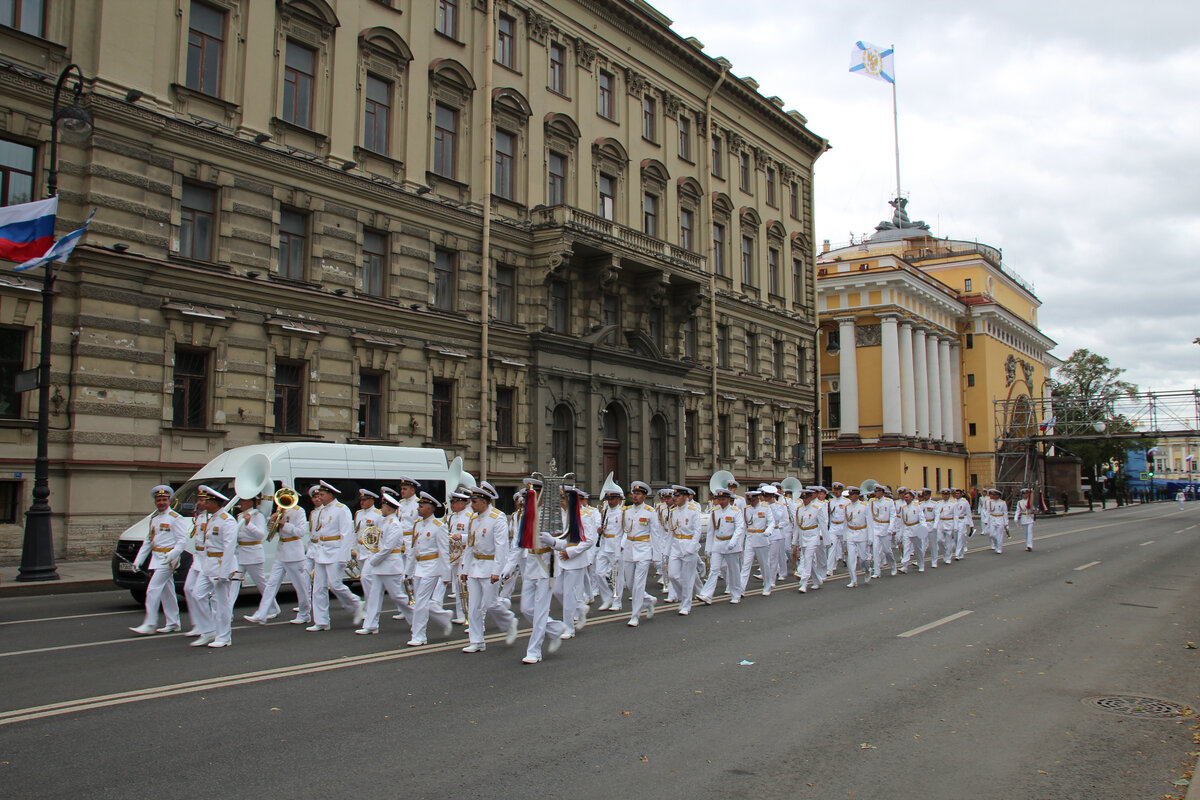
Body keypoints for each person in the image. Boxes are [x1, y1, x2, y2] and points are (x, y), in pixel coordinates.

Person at [502, 483, 567, 664]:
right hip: (531, 564)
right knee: (526, 609)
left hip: (547, 566)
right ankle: (554, 629)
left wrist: (552, 541)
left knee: (540, 610)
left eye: (533, 493)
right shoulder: (525, 516)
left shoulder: (553, 515)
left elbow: (564, 543)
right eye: (528, 494)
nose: (529, 498)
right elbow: (517, 544)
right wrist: (508, 567)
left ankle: (534, 650)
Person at [459, 483, 518, 653]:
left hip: (490, 565)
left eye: (475, 501)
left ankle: (509, 621)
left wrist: (497, 571)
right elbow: (470, 546)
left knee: (491, 603)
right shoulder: (473, 519)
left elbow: (502, 547)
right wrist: (464, 570)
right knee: (474, 606)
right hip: (475, 566)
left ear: (484, 502)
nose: (472, 505)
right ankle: (477, 641)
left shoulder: (497, 518)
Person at [245, 487, 312, 626]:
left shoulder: (299, 511)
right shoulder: (281, 510)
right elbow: (271, 531)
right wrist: (272, 520)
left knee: (300, 586)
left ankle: (304, 613)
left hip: (294, 552)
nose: (284, 502)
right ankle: (262, 614)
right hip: (281, 553)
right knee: (271, 584)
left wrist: (284, 524)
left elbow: (300, 532)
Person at [129, 485, 188, 635]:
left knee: (153, 589)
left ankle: (149, 623)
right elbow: (149, 541)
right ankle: (173, 622)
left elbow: (182, 541)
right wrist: (138, 560)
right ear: (155, 502)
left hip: (169, 559)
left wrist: (173, 554)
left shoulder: (176, 518)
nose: (162, 502)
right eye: (159, 500)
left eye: (164, 500)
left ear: (170, 501)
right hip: (157, 558)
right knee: (167, 592)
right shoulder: (154, 519)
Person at [307, 481, 364, 631]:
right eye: (318, 495)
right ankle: (321, 621)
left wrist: (343, 557)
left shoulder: (341, 509)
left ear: (330, 495)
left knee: (335, 585)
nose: (320, 497)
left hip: (335, 552)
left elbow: (346, 534)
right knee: (318, 588)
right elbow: (319, 533)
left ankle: (356, 602)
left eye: (322, 494)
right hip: (321, 552)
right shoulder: (321, 511)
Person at [356, 492, 409, 635]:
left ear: (389, 508)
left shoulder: (395, 525)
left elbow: (388, 548)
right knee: (373, 594)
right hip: (380, 564)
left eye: (383, 506)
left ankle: (417, 618)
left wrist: (373, 560)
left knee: (398, 596)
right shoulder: (383, 521)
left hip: (390, 564)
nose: (381, 509)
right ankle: (371, 625)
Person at [406, 492, 454, 646]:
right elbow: (413, 550)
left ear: (430, 508)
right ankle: (444, 617)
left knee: (420, 601)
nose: (418, 509)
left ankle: (419, 635)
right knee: (421, 602)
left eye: (421, 506)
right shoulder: (417, 525)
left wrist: (446, 574)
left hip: (432, 568)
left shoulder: (439, 527)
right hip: (419, 568)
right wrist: (409, 570)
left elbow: (444, 551)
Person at [198, 486, 239, 648]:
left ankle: (224, 636)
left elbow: (229, 547)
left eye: (205, 501)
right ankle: (209, 630)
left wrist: (225, 572)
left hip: (221, 564)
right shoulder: (212, 518)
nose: (202, 504)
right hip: (209, 564)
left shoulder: (227, 520)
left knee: (222, 602)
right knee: (197, 594)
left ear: (214, 502)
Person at [554, 486, 596, 638]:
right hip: (560, 557)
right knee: (557, 591)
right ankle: (579, 608)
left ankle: (569, 628)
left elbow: (589, 540)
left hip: (575, 559)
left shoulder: (583, 515)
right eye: (560, 499)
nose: (561, 502)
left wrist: (571, 552)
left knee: (569, 594)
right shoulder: (561, 514)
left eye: (564, 499)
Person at [619, 481, 661, 626]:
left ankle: (635, 615)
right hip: (629, 549)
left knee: (638, 585)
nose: (635, 496)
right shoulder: (626, 511)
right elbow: (625, 531)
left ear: (644, 497)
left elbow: (655, 535)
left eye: (638, 494)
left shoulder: (650, 512)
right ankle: (648, 600)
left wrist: (657, 556)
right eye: (634, 494)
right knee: (630, 584)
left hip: (643, 550)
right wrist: (621, 545)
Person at [231, 495, 278, 618]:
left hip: (253, 553)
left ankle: (273, 608)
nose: (241, 503)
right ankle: (227, 612)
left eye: (244, 500)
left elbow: (260, 535)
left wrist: (248, 524)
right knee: (234, 583)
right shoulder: (239, 516)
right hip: (240, 553)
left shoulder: (258, 516)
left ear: (251, 502)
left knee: (261, 583)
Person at [699, 488, 746, 604]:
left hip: (731, 544)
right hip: (718, 544)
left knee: (733, 570)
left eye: (723, 499)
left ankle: (736, 594)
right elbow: (711, 531)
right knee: (714, 570)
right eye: (719, 499)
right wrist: (708, 548)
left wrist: (734, 541)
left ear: (729, 499)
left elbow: (740, 528)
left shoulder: (735, 511)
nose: (721, 501)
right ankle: (707, 595)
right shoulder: (715, 512)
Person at [666, 485, 702, 616]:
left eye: (678, 496)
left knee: (687, 578)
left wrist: (692, 547)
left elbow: (698, 531)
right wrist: (666, 550)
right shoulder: (673, 511)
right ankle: (684, 597)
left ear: (685, 497)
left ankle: (686, 604)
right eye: (674, 496)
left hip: (688, 545)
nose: (674, 498)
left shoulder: (693, 510)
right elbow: (671, 531)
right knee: (673, 575)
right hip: (676, 546)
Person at [594, 482, 625, 610]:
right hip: (605, 544)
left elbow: (627, 531)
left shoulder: (623, 512)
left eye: (612, 498)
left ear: (619, 499)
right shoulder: (605, 511)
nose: (610, 501)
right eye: (608, 499)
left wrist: (622, 545)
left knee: (616, 576)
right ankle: (606, 598)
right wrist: (600, 530)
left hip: (617, 546)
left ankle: (617, 601)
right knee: (599, 573)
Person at [444, 490, 473, 624]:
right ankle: (460, 614)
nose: (452, 505)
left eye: (455, 502)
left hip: (465, 553)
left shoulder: (469, 516)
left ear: (462, 503)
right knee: (456, 584)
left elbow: (474, 537)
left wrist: (461, 537)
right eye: (451, 502)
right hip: (454, 554)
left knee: (463, 584)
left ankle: (467, 614)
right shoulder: (452, 517)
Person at [741, 489, 776, 596]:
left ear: (758, 499)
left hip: (761, 538)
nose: (751, 502)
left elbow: (771, 522)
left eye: (753, 500)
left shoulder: (765, 508)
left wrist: (768, 531)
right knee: (745, 565)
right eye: (749, 500)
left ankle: (767, 585)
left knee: (764, 564)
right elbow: (744, 526)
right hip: (750, 538)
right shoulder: (746, 509)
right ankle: (741, 589)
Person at [353, 488, 384, 608]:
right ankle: (370, 603)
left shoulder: (378, 514)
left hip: (371, 551)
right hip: (361, 550)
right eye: (361, 500)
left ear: (371, 500)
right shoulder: (358, 513)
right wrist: (353, 548)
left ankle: (372, 606)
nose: (362, 502)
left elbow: (381, 534)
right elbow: (355, 532)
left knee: (366, 578)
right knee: (364, 579)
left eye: (365, 500)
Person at [794, 486, 826, 593]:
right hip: (803, 537)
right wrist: (794, 541)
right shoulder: (799, 509)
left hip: (813, 536)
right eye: (803, 499)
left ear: (810, 498)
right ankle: (817, 580)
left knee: (807, 558)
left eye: (806, 498)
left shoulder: (817, 508)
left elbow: (823, 524)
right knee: (809, 560)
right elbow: (797, 526)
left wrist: (827, 540)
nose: (804, 500)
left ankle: (803, 583)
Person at [868, 484, 897, 578]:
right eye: (875, 492)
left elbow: (893, 515)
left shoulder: (889, 502)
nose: (875, 493)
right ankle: (877, 572)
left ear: (882, 492)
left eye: (877, 491)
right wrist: (870, 531)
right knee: (875, 550)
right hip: (876, 527)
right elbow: (869, 516)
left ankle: (893, 566)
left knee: (887, 550)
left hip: (885, 527)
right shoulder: (872, 501)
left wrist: (891, 528)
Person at [844, 486, 870, 587]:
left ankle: (867, 570)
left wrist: (870, 537)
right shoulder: (847, 506)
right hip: (851, 533)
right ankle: (853, 580)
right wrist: (845, 537)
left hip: (862, 533)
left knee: (863, 558)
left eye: (852, 495)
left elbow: (869, 523)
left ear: (857, 495)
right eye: (849, 495)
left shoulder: (864, 506)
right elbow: (845, 523)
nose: (850, 497)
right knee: (851, 558)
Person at [824, 482, 848, 580]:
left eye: (838, 490)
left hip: (843, 526)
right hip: (834, 526)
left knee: (846, 546)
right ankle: (829, 569)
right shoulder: (831, 502)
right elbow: (829, 515)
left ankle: (847, 560)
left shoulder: (847, 502)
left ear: (841, 491)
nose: (836, 492)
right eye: (835, 490)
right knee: (831, 547)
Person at [984, 488, 1010, 553]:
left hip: (1000, 518)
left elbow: (1005, 513)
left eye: (995, 495)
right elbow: (988, 511)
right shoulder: (990, 502)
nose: (993, 496)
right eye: (993, 495)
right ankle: (996, 544)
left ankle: (999, 548)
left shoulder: (1002, 503)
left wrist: (1006, 523)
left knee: (1000, 534)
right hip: (992, 519)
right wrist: (986, 520)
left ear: (998, 496)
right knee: (991, 534)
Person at [952, 488, 973, 561]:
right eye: (956, 493)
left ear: (961, 494)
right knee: (955, 538)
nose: (957, 495)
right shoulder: (953, 501)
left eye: (958, 493)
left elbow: (969, 513)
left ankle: (957, 554)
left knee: (960, 537)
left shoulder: (965, 502)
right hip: (955, 521)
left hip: (962, 521)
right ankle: (960, 553)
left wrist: (971, 525)